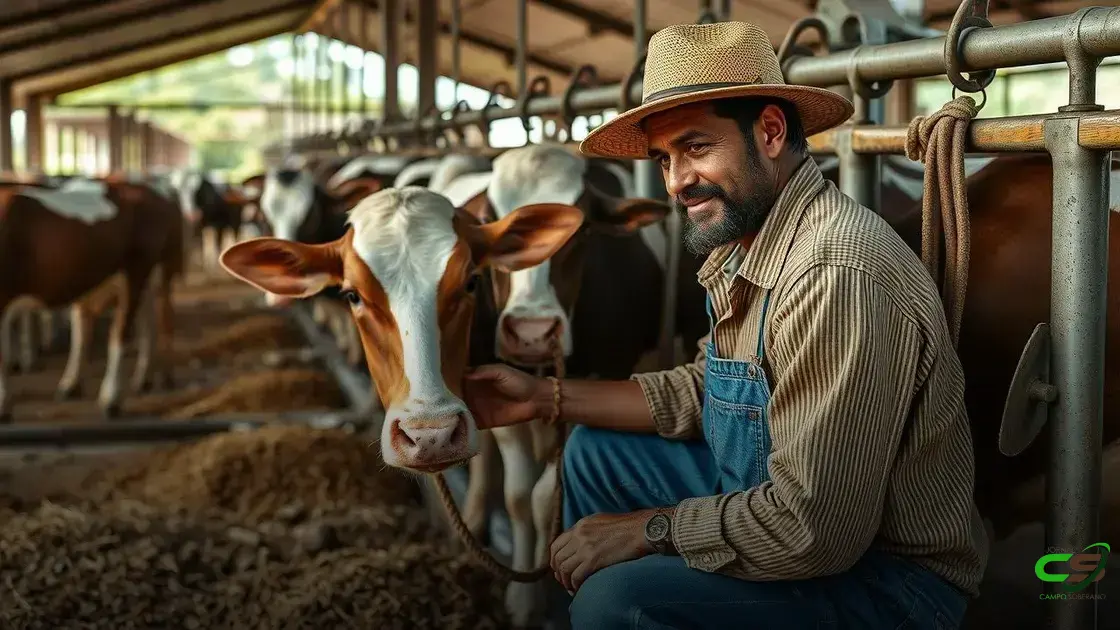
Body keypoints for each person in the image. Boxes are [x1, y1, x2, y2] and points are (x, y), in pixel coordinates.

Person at [462, 20, 989, 630]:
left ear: (768, 132)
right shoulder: (749, 242)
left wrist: (649, 531)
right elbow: (710, 388)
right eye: (665, 159)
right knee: (593, 455)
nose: (676, 181)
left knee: (619, 602)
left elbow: (812, 531)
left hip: (885, 579)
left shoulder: (833, 273)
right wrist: (542, 397)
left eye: (696, 147)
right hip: (777, 490)